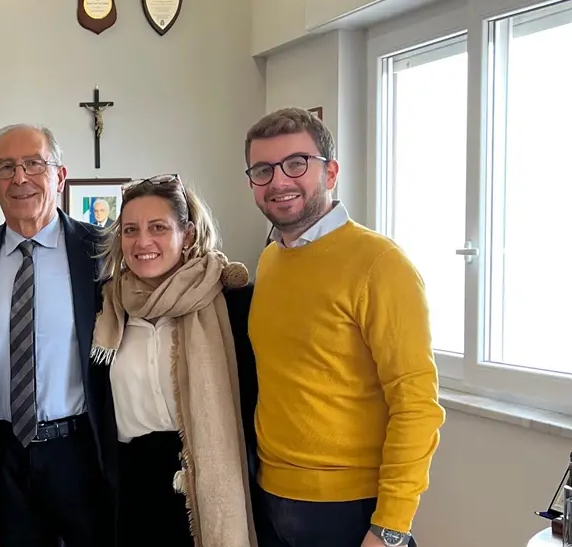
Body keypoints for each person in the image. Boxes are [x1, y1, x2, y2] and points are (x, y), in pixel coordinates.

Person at [243, 107, 444, 547]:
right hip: (271, 495)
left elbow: (416, 403)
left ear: (330, 171)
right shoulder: (271, 259)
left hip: (352, 509)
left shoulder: (380, 264)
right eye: (263, 170)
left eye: (296, 163)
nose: (278, 181)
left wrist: (390, 526)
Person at [0, 124, 113, 547]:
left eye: (34, 164)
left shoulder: (100, 251)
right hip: (3, 453)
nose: (20, 178)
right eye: (7, 168)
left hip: (79, 450)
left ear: (59, 177)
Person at [89, 174, 260, 546]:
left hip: (208, 477)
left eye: (158, 227)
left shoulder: (231, 304)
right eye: (130, 229)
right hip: (131, 486)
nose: (142, 241)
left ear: (189, 234)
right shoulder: (106, 308)